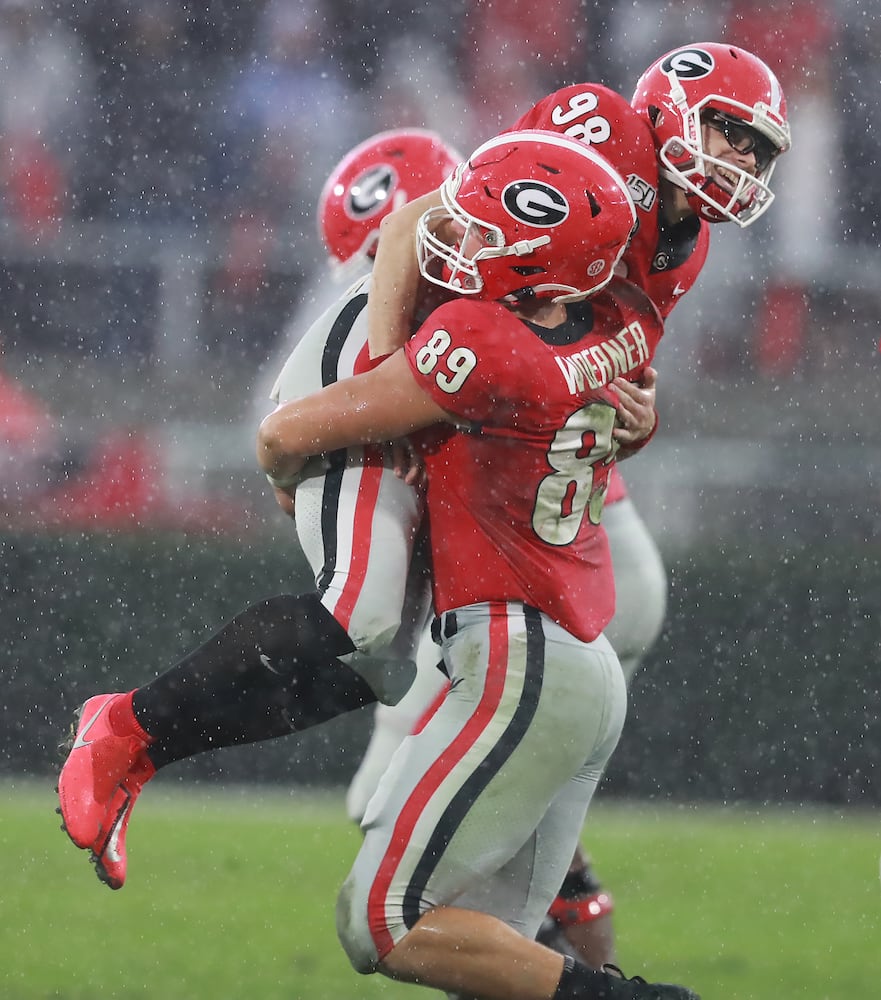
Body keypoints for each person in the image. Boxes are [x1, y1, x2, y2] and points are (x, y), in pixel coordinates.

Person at [54, 128, 656, 895]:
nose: (455, 243)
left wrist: (635, 412)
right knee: (357, 615)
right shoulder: (452, 296)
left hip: (413, 380)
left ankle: (141, 748)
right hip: (366, 378)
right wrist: (308, 455)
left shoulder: (547, 290)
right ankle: (123, 730)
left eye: (474, 225)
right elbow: (281, 433)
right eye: (450, 222)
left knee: (379, 670)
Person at [362, 41, 792, 967]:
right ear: (673, 106)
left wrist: (634, 412)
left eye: (758, 151)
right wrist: (387, 376)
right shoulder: (595, 126)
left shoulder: (691, 243)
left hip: (516, 483)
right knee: (363, 627)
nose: (743, 163)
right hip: (443, 399)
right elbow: (435, 235)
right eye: (731, 132)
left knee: (441, 869)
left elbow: (601, 374)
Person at [257, 129, 696, 1000]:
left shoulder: (473, 340)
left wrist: (305, 460)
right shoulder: (607, 328)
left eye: (477, 232)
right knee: (499, 937)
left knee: (382, 907)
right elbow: (629, 412)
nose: (459, 248)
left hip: (520, 643)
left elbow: (285, 433)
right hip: (584, 631)